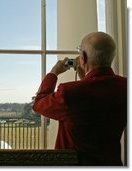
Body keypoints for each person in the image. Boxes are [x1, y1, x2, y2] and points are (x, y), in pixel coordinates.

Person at [32, 32, 127, 166]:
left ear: (82, 58)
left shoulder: (70, 92)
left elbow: (39, 104)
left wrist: (53, 73)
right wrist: (85, 79)